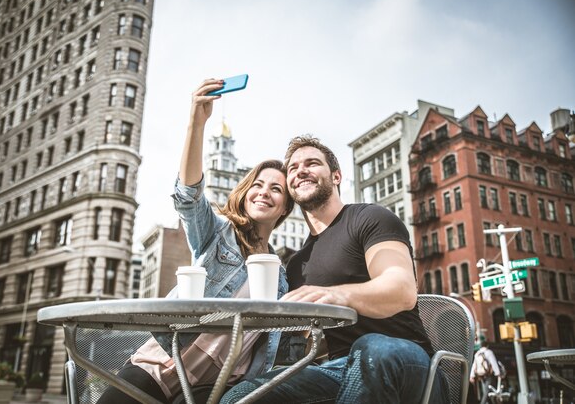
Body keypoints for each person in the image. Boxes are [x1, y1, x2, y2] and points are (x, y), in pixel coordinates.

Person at [97, 79, 294, 404]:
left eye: (276, 189)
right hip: (160, 367)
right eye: (258, 185)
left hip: (219, 390)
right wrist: (196, 121)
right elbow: (188, 196)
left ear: (286, 206)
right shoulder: (219, 234)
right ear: (245, 195)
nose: (265, 192)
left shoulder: (281, 278)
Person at [221, 135, 448, 403]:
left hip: (407, 363)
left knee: (372, 347)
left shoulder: (370, 218)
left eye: (312, 163)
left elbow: (401, 290)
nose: (300, 171)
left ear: (336, 176)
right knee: (242, 396)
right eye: (292, 168)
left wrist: (335, 295)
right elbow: (309, 343)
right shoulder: (296, 265)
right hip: (339, 370)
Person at [470, 337, 501, 404]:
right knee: (488, 392)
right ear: (487, 345)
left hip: (481, 375)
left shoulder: (477, 353)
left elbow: (474, 365)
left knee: (487, 391)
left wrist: (471, 376)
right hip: (488, 375)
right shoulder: (489, 352)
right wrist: (498, 373)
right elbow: (493, 363)